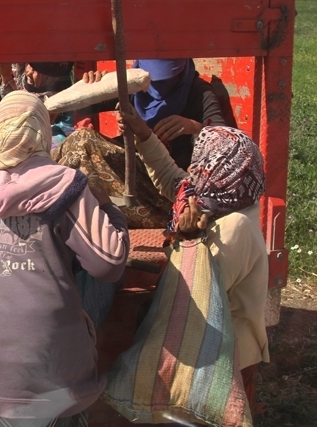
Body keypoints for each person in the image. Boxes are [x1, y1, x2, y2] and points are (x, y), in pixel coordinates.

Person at [0, 90, 129, 426]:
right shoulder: (65, 186)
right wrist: (111, 211)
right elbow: (108, 264)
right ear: (42, 132)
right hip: (46, 377)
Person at [117, 106, 269, 415]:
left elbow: (199, 294)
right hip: (207, 344)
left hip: (224, 354)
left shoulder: (234, 227)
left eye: (201, 163)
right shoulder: (215, 199)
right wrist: (144, 135)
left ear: (219, 168)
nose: (194, 169)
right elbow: (172, 177)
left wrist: (188, 241)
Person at [89, 59, 226, 170]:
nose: (159, 86)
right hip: (135, 166)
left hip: (172, 175)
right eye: (151, 80)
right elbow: (84, 108)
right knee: (83, 140)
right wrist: (94, 87)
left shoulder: (199, 92)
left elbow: (225, 140)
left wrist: (194, 127)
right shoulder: (132, 85)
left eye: (168, 79)